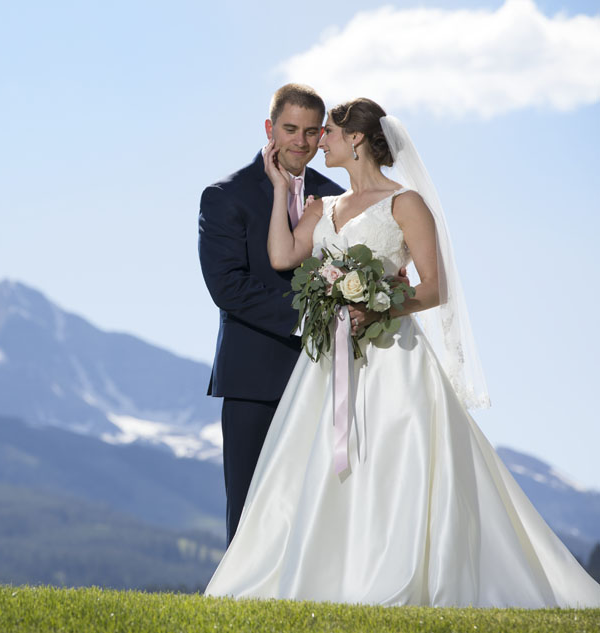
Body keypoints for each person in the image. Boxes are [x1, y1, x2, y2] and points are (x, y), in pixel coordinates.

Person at [204, 98, 600, 608]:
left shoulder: (406, 203)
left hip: (392, 355)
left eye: (327, 133)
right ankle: (331, 576)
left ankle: (398, 571)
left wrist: (378, 307)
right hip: (329, 361)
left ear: (356, 139)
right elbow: (281, 256)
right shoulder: (322, 206)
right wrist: (281, 189)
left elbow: (434, 287)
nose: (318, 142)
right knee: (323, 468)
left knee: (397, 458)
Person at [198, 84, 345, 547]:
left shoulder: (338, 198)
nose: (300, 141)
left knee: (321, 506)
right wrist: (310, 318)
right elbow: (228, 288)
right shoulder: (226, 195)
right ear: (269, 129)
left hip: (325, 375)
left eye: (311, 131)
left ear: (322, 135)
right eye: (290, 129)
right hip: (253, 377)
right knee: (250, 507)